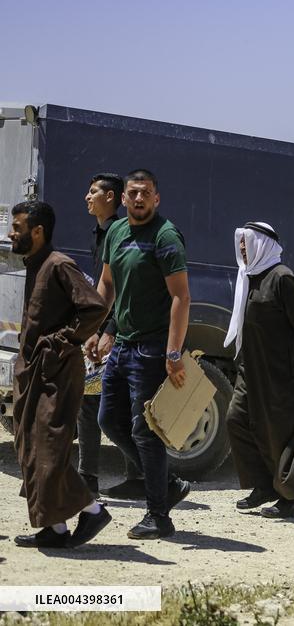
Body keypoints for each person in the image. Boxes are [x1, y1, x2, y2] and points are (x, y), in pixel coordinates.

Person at [90, 169, 192, 540]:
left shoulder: (165, 236)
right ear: (123, 198)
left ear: (156, 198)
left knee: (145, 431)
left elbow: (181, 297)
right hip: (123, 343)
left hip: (151, 347)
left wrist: (173, 351)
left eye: (145, 193)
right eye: (133, 193)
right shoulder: (116, 232)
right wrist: (96, 329)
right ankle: (168, 483)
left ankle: (158, 516)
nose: (138, 199)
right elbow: (107, 284)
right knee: (108, 420)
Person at [9, 201, 112, 548]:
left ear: (38, 231)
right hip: (33, 372)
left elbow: (94, 308)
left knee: (49, 449)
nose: (11, 233)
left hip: (57, 372)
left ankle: (92, 510)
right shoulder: (35, 264)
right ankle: (54, 528)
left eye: (18, 227)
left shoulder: (59, 264)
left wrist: (62, 341)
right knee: (29, 446)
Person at [224, 222, 294, 518]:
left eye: (247, 242)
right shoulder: (248, 278)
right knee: (236, 420)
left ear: (262, 244)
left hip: (282, 374)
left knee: (278, 434)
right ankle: (263, 485)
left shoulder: (282, 278)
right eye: (240, 243)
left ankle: (288, 500)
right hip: (251, 370)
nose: (242, 248)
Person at [78, 173, 145, 499]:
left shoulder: (120, 234)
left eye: (93, 192)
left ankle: (138, 476)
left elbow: (126, 290)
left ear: (111, 197)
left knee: (104, 404)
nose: (87, 197)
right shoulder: (99, 235)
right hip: (101, 330)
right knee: (94, 402)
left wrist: (108, 331)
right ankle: (95, 477)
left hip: (120, 334)